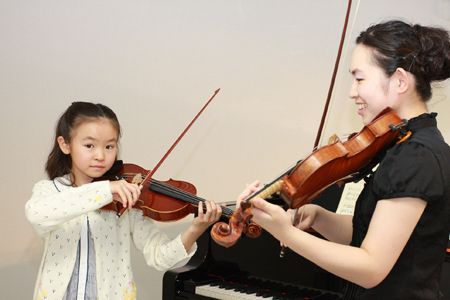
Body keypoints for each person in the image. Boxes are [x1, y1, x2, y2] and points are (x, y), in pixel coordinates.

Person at [238, 20, 450, 299]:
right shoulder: (402, 144)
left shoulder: (417, 155)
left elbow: (372, 266)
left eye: (360, 78)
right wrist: (321, 218)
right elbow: (371, 235)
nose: (352, 91)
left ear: (400, 80)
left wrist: (286, 234)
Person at [25, 101, 222, 300]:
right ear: (65, 144)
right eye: (89, 145)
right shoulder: (50, 190)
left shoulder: (126, 200)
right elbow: (37, 214)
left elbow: (161, 257)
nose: (100, 155)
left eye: (109, 146)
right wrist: (106, 189)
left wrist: (196, 229)